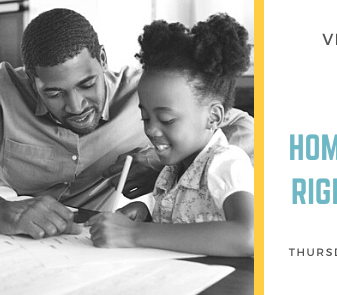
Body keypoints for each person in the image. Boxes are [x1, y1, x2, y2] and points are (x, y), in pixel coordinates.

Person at [0, 8, 253, 240]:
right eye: (54, 94)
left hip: (88, 245)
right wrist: (5, 212)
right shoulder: (5, 92)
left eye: (87, 84)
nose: (76, 107)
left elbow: (247, 131)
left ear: (102, 58)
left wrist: (160, 162)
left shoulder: (149, 93)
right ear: (32, 80)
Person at [86, 13, 253, 256]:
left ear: (214, 117)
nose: (151, 130)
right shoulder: (174, 168)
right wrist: (145, 214)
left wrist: (134, 234)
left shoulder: (226, 162)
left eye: (167, 120)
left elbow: (249, 236)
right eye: (145, 117)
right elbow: (185, 218)